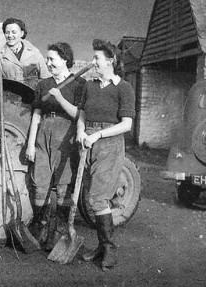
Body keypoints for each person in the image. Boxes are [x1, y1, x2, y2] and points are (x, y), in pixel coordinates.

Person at [75, 39, 135, 269]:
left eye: (97, 58)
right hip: (87, 143)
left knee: (98, 198)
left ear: (110, 61)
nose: (93, 62)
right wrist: (81, 132)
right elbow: (81, 113)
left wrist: (98, 135)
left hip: (109, 144)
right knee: (93, 197)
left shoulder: (123, 88)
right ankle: (101, 247)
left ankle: (109, 248)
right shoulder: (89, 86)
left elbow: (127, 124)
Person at [25, 42, 85, 249]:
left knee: (62, 185)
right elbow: (36, 115)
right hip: (43, 134)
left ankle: (58, 231)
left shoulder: (78, 84)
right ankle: (39, 227)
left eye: (52, 59)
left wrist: (59, 98)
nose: (48, 63)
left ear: (65, 60)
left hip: (66, 136)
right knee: (40, 183)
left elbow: (79, 115)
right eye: (47, 59)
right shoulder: (43, 85)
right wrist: (31, 144)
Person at [0, 18, 51, 87]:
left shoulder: (34, 53)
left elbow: (45, 78)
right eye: (7, 32)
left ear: (22, 33)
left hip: (31, 94)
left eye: (14, 32)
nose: (10, 36)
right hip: (7, 95)